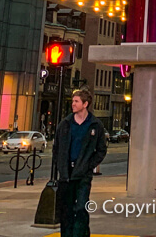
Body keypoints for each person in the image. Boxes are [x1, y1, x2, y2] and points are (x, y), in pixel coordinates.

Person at [53, 87, 107, 237]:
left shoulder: (95, 125)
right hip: (66, 174)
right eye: (73, 101)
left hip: (83, 174)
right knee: (67, 210)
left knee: (81, 207)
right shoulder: (65, 124)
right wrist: (60, 166)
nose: (73, 104)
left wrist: (89, 166)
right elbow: (56, 148)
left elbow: (101, 150)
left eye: (76, 101)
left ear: (85, 104)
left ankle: (80, 234)